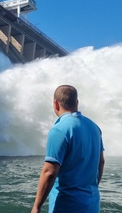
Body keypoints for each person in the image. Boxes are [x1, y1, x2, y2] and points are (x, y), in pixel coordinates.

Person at [31, 85, 105, 213]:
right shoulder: (94, 127)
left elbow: (50, 172)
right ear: (77, 102)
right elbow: (101, 161)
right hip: (92, 204)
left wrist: (36, 207)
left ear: (56, 104)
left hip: (67, 205)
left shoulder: (59, 130)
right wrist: (90, 189)